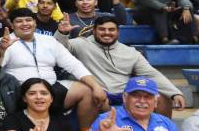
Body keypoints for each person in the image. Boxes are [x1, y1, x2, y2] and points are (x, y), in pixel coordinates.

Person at [0, 8, 108, 131]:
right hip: (20, 92)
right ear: (12, 25)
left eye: (28, 20)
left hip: (51, 87)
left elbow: (73, 64)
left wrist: (96, 86)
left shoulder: (49, 40)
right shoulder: (4, 42)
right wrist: (2, 50)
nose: (25, 24)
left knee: (88, 90)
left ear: (35, 23)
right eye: (19, 21)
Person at [54, 15, 184, 117]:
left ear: (118, 32)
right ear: (94, 31)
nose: (107, 33)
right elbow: (58, 49)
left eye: (111, 30)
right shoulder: (81, 44)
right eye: (102, 29)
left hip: (125, 93)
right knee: (96, 96)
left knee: (162, 97)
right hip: (99, 93)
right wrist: (62, 33)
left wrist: (174, 93)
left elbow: (151, 74)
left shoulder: (131, 52)